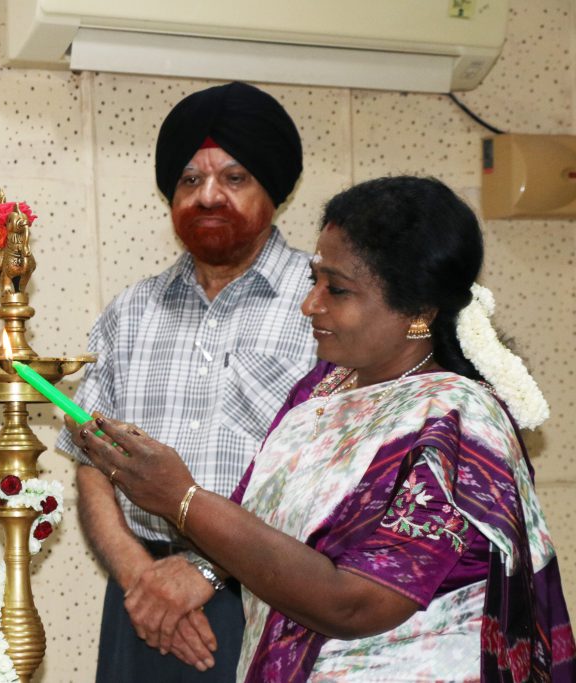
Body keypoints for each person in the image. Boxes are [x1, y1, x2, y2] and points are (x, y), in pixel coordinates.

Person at [69, 176, 575, 681]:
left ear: (418, 310)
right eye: (314, 280)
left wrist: (180, 497)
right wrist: (179, 526)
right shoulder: (322, 389)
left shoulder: (457, 423)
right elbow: (252, 520)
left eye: (337, 289)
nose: (310, 303)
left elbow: (356, 604)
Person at [56, 81, 316, 680]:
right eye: (190, 180)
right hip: (141, 604)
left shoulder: (324, 304)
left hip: (273, 597)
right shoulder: (131, 311)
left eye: (234, 177)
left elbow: (333, 474)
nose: (208, 196)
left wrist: (206, 570)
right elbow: (92, 461)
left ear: (274, 189)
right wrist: (139, 578)